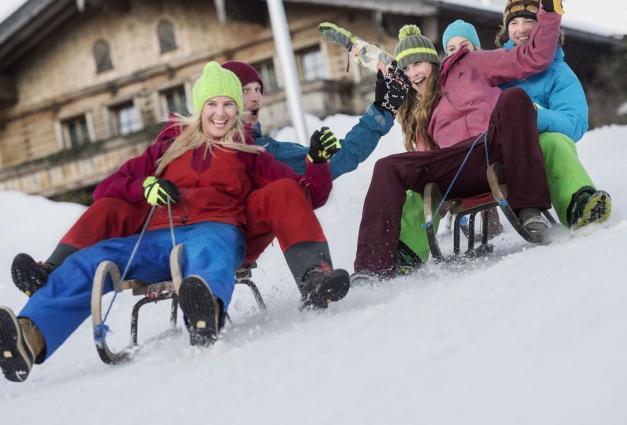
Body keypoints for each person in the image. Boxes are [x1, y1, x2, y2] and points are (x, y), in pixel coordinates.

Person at [0, 62, 346, 383]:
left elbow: (305, 197)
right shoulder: (166, 149)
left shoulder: (252, 155)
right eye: (212, 104)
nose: (221, 113)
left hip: (216, 228)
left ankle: (206, 308)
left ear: (237, 110)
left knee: (210, 251)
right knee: (90, 260)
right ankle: (30, 335)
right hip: (155, 237)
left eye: (228, 104)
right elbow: (107, 188)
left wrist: (316, 163)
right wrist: (145, 186)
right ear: (200, 108)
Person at [11, 60, 406, 298]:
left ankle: (312, 278)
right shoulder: (176, 144)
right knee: (113, 209)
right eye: (244, 91)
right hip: (175, 229)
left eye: (257, 91)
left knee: (283, 193)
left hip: (230, 235)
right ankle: (52, 271)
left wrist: (380, 113)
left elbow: (332, 165)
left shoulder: (263, 151)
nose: (254, 99)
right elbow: (119, 184)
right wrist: (144, 189)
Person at [352, 0, 564, 281]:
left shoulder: (474, 62)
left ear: (435, 60)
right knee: (388, 166)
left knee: (515, 98)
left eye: (421, 63)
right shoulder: (425, 101)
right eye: (409, 70)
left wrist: (549, 9)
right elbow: (391, 71)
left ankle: (530, 209)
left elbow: (533, 57)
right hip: (452, 165)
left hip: (490, 147)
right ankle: (373, 266)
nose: (415, 73)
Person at [494, 0, 611, 227]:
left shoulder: (559, 73)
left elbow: (575, 122)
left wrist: (533, 115)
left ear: (543, 27)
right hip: (499, 150)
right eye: (514, 22)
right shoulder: (495, 70)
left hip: (540, 148)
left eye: (529, 21)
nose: (522, 29)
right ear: (506, 30)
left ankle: (579, 202)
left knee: (554, 140)